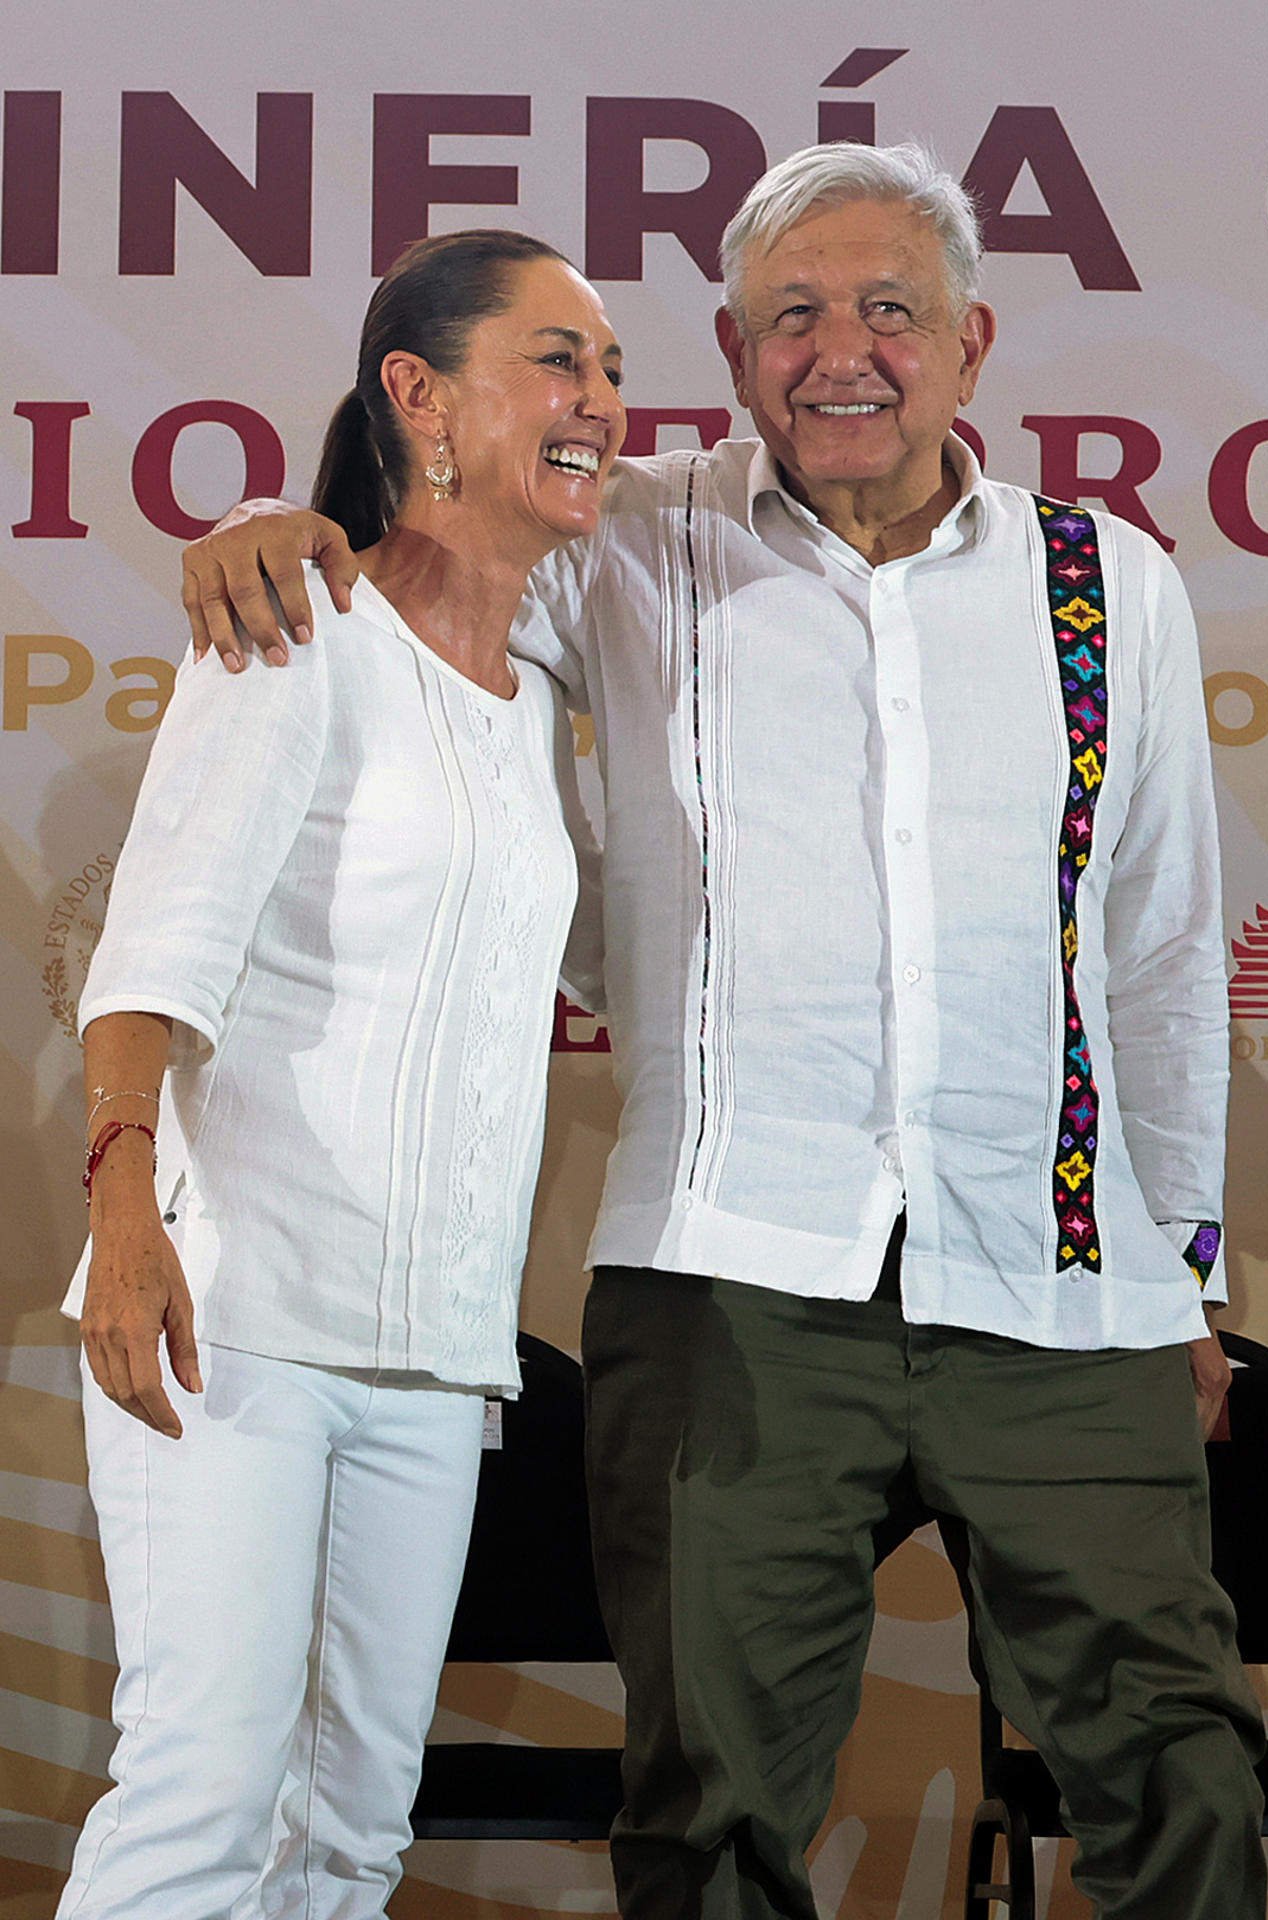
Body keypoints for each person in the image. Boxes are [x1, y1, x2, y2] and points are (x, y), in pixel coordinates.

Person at [181, 145, 1266, 1920]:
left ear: (972, 348)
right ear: (733, 347)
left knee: (1178, 1781)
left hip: (1064, 1290)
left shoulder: (1107, 584)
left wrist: (1191, 1268)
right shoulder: (625, 537)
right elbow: (411, 595)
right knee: (712, 1816)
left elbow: (1151, 953)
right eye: (792, 316)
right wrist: (283, 528)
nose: (841, 352)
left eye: (889, 311)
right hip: (723, 1284)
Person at [58, 228, 625, 1920]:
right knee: (200, 1802)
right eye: (558, 359)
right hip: (230, 1322)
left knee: (353, 1838)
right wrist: (127, 1210)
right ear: (417, 396)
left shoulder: (531, 701)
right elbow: (156, 948)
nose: (599, 398)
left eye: (608, 363)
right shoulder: (297, 627)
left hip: (434, 1362)